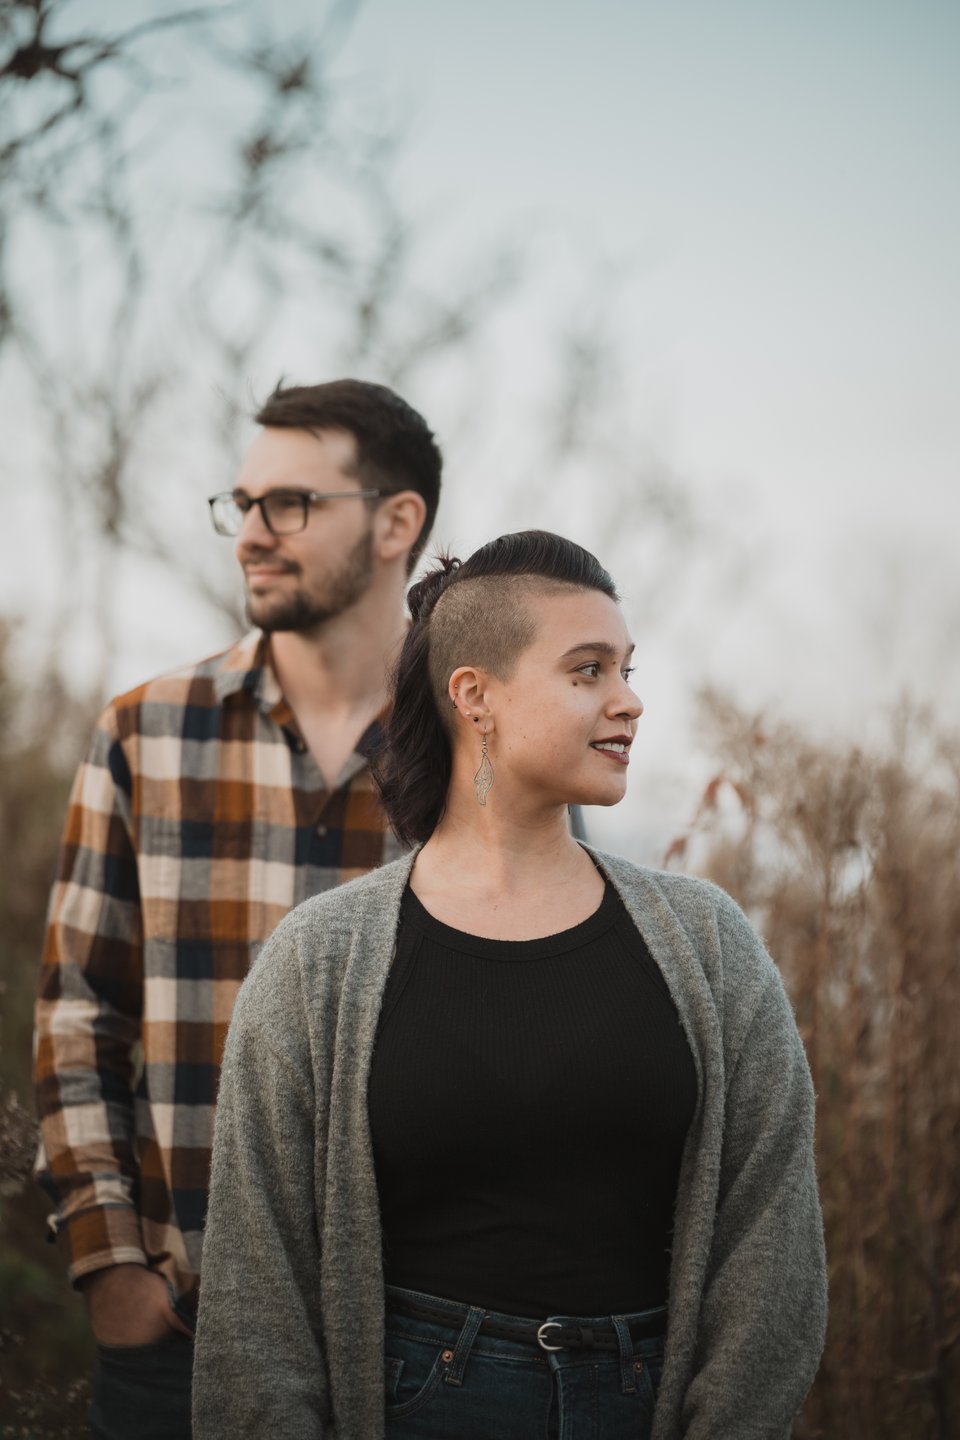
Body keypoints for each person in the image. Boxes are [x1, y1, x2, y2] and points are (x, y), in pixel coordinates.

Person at [192, 529, 828, 1440]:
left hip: (647, 1406)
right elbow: (258, 1299)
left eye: (626, 668)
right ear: (474, 696)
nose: (631, 700)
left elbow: (773, 1242)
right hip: (417, 1405)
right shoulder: (319, 961)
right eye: (588, 670)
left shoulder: (708, 942)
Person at [33, 378, 443, 1440]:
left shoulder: (483, 753)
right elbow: (78, 1017)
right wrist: (112, 1268)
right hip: (178, 1345)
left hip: (422, 1356)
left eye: (291, 505)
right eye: (242, 503)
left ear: (399, 522)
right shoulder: (146, 733)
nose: (251, 534)